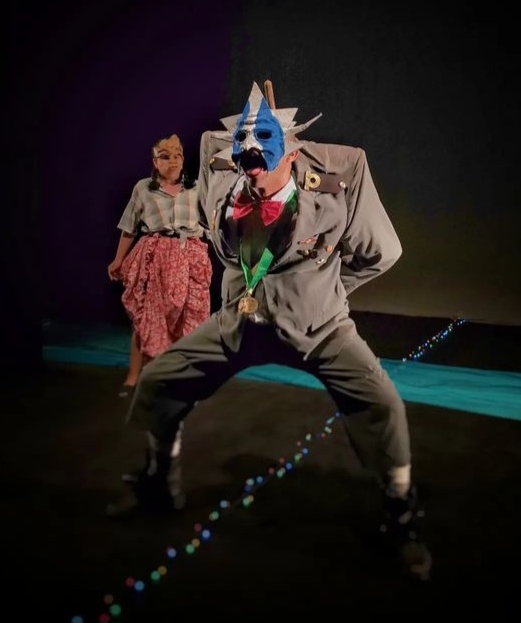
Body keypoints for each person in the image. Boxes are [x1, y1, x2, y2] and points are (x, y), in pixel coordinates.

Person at [106, 81, 432, 582]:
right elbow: (219, 206)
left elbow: (382, 252)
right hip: (241, 321)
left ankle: (401, 514)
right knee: (160, 379)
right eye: (244, 152)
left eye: (262, 153)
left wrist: (329, 290)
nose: (250, 165)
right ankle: (158, 480)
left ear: (292, 153)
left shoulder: (341, 176)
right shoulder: (221, 165)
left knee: (383, 405)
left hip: (318, 327)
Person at [107, 134, 213, 398]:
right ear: (155, 162)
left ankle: (181, 381)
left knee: (189, 321)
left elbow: (212, 223)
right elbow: (129, 226)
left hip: (189, 257)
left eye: (177, 156)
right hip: (156, 258)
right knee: (147, 317)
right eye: (165, 157)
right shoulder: (144, 188)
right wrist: (118, 259)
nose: (173, 161)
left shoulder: (196, 188)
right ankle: (133, 378)